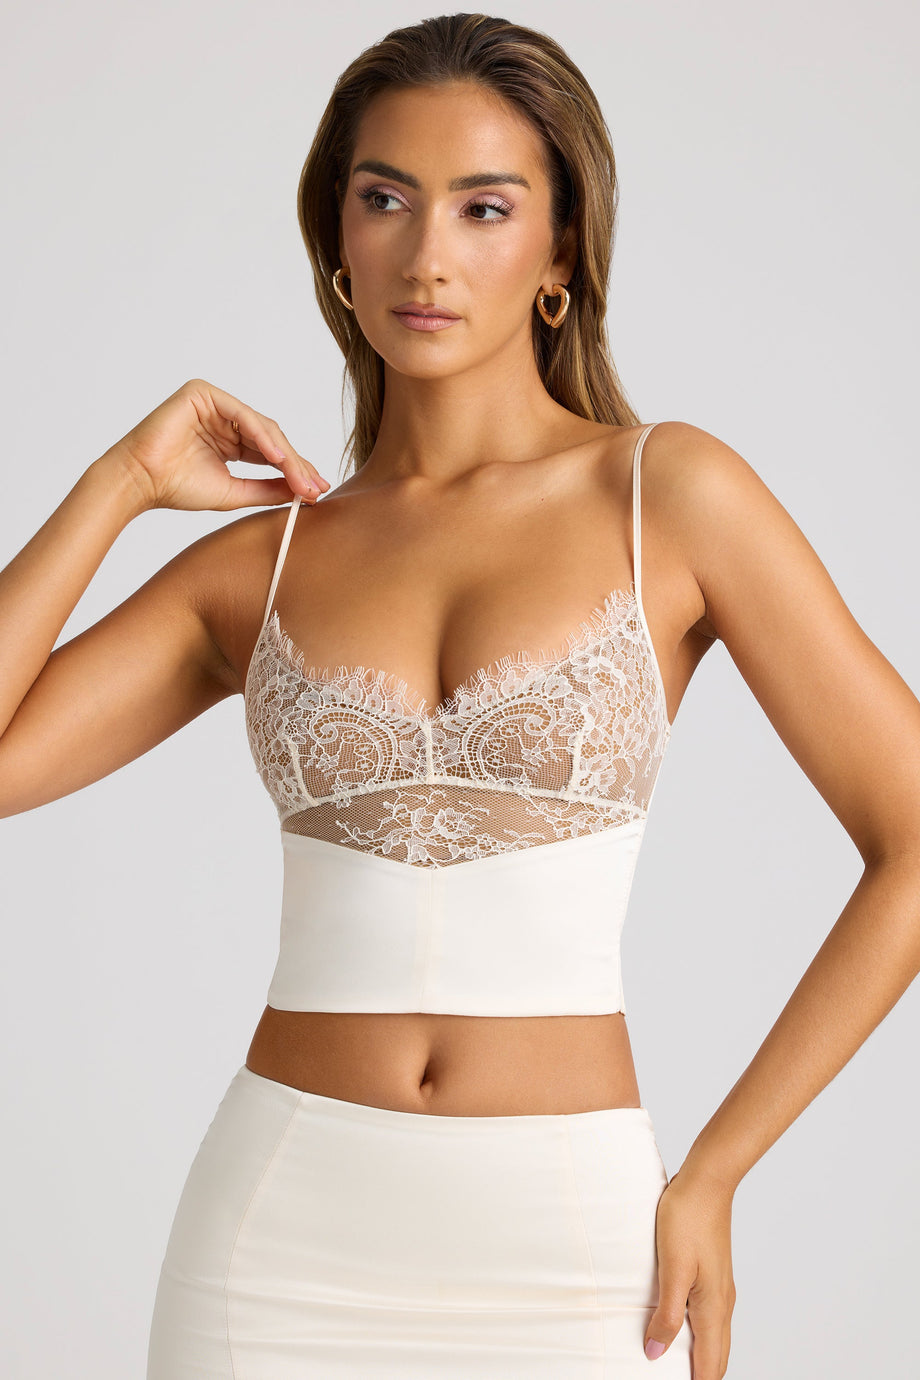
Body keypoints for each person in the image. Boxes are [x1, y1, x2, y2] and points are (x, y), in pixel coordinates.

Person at [2, 12, 919, 1379]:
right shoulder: (262, 567)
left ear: (560, 252)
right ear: (336, 239)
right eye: (386, 200)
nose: (427, 255)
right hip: (275, 1241)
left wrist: (718, 1170)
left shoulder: (669, 497)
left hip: (571, 1239)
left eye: (484, 208)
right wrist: (120, 483)